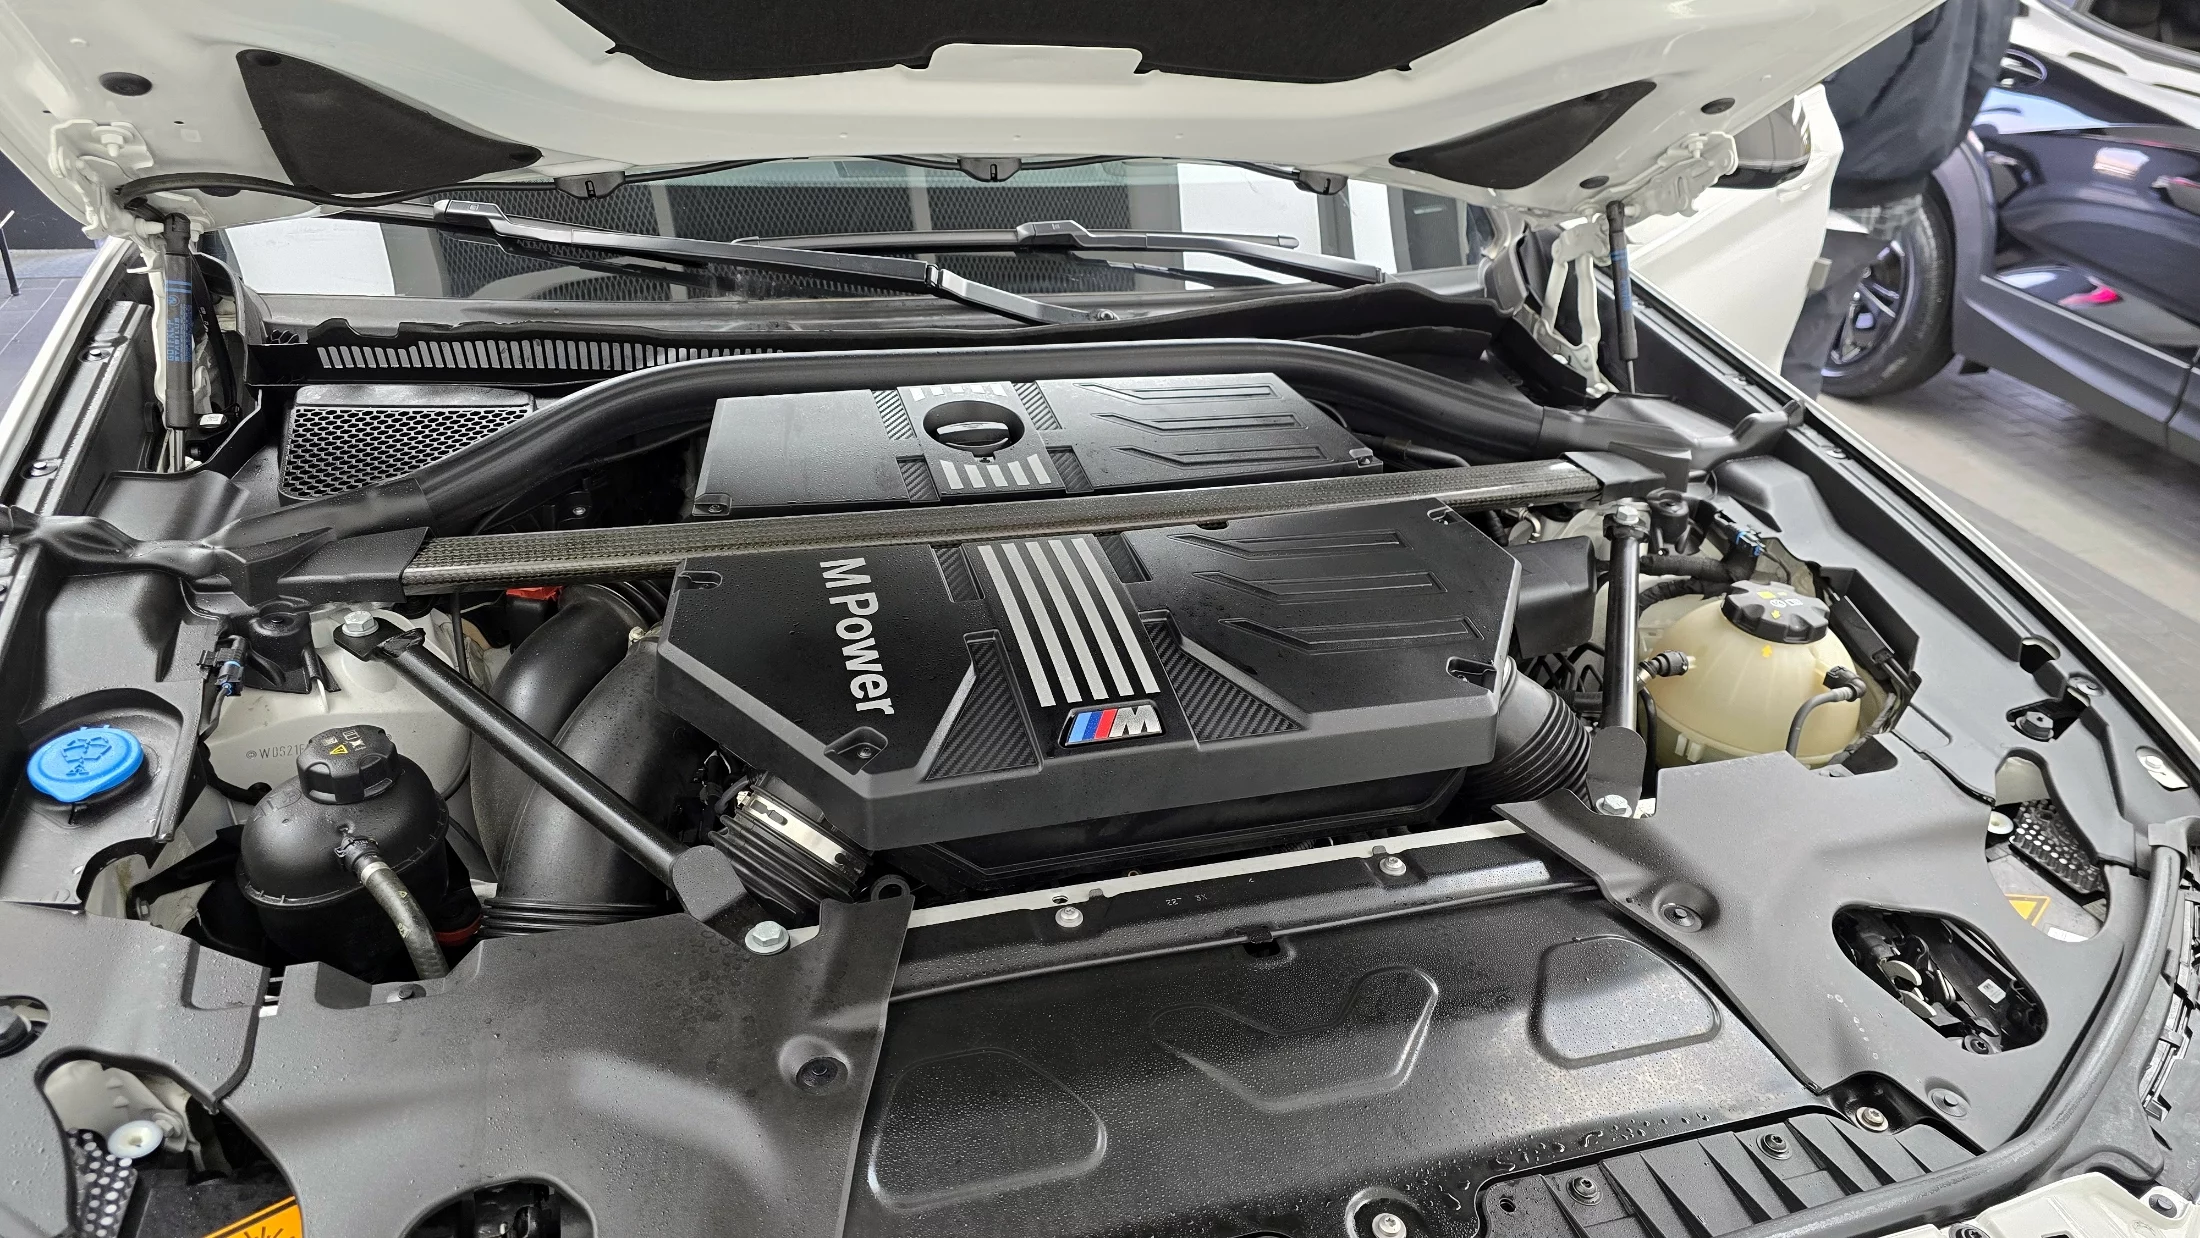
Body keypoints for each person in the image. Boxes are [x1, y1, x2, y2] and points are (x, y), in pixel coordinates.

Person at [1780, 0, 2017, 397]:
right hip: (1897, 187)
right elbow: (1976, 85)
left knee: (1751, 329)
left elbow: (1850, 88)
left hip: (1840, 179)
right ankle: (1781, 426)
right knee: (1806, 345)